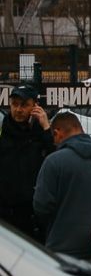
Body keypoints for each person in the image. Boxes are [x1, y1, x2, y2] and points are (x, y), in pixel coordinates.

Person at [32, 110, 91, 259]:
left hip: (63, 246)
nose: (54, 142)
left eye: (54, 137)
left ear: (57, 132)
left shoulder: (53, 161)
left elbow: (41, 206)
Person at [0, 84, 55, 241]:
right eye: (15, 104)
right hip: (5, 209)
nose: (18, 109)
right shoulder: (3, 129)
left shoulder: (41, 132)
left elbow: (55, 159)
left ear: (35, 106)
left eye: (24, 105)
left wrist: (46, 127)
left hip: (32, 211)